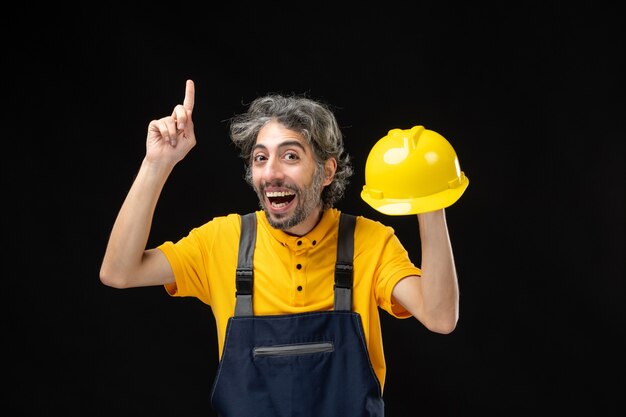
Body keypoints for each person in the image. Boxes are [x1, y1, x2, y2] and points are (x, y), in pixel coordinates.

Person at [100, 79, 460, 417]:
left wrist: (430, 201)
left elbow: (440, 317)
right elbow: (119, 272)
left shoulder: (370, 241)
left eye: (290, 156)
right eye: (260, 157)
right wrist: (156, 164)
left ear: (327, 171)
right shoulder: (222, 241)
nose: (271, 172)